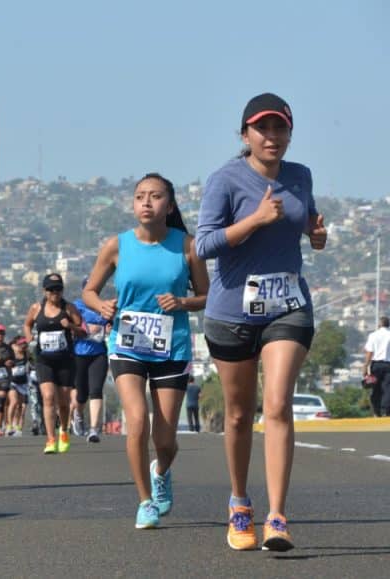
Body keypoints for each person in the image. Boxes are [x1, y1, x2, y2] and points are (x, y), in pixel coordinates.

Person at [196, 93, 326, 551]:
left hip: (288, 306)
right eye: (262, 129)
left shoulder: (300, 176)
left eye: (280, 128)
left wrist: (316, 233)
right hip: (232, 313)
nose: (272, 137)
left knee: (277, 404)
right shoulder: (225, 180)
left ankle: (277, 516)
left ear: (290, 132)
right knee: (236, 414)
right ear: (245, 135)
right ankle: (239, 503)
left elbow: (305, 221)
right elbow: (205, 246)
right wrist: (252, 220)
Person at [84, 172, 209, 530]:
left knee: (165, 439)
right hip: (127, 345)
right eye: (140, 196)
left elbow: (206, 295)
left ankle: (161, 470)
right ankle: (144, 501)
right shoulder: (116, 246)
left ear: (169, 205)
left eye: (155, 197)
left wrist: (183, 301)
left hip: (172, 346)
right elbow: (90, 290)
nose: (147, 203)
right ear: (133, 203)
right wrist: (102, 306)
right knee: (136, 421)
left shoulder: (187, 246)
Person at [24, 273, 83, 455]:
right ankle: (50, 439)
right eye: (50, 290)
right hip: (44, 359)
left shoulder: (69, 308)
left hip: (65, 360)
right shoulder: (36, 308)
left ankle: (63, 431)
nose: (54, 293)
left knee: (64, 403)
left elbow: (82, 330)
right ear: (44, 291)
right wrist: (29, 337)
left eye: (58, 289)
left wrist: (70, 326)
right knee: (48, 397)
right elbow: (27, 324)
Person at [73, 277, 111, 442]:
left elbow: (112, 324)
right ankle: (79, 414)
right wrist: (87, 329)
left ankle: (94, 429)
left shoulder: (104, 307)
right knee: (82, 394)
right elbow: (70, 326)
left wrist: (107, 327)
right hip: (78, 353)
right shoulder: (76, 307)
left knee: (96, 390)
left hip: (99, 353)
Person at [363, 317, 390, 417]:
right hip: (388, 365)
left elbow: (369, 352)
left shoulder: (373, 335)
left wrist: (365, 365)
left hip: (376, 365)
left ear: (379, 325)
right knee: (388, 388)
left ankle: (376, 411)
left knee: (376, 388)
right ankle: (386, 411)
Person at [6, 336, 30, 436]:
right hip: (13, 382)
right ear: (16, 345)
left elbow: (33, 361)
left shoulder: (26, 354)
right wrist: (8, 363)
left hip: (22, 383)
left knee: (20, 406)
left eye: (24, 344)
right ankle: (9, 425)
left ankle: (17, 426)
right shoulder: (11, 353)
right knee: (14, 402)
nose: (23, 346)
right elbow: (5, 362)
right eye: (21, 344)